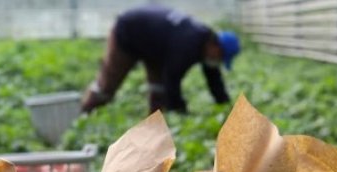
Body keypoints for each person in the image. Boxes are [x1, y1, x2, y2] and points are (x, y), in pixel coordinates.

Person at [80, 5, 240, 114]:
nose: (217, 61)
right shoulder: (189, 45)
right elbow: (172, 79)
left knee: (158, 91)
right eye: (220, 57)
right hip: (129, 31)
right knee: (108, 86)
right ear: (216, 46)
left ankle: (152, 130)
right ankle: (85, 113)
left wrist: (226, 108)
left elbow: (214, 80)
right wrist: (180, 111)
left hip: (155, 44)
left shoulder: (205, 42)